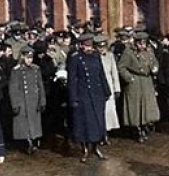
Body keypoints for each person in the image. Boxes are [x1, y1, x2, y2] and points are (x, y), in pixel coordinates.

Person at [67, 33, 111, 162]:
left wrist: (106, 90)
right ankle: (85, 148)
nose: (89, 48)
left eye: (90, 45)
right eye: (86, 45)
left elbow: (101, 74)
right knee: (85, 124)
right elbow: (72, 80)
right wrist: (73, 98)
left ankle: (96, 147)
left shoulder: (96, 56)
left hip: (97, 94)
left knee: (98, 122)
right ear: (81, 46)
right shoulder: (76, 58)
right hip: (83, 94)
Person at [118, 32, 161, 143]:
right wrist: (129, 78)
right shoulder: (128, 52)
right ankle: (137, 130)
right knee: (136, 108)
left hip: (147, 81)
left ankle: (144, 126)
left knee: (147, 106)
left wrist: (155, 67)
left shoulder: (149, 51)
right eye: (140, 44)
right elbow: (121, 67)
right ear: (136, 43)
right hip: (135, 82)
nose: (142, 46)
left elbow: (154, 61)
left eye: (144, 44)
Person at [8, 46, 46, 155]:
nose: (30, 60)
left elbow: (40, 86)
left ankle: (33, 141)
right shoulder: (16, 71)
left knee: (34, 124)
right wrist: (15, 104)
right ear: (22, 57)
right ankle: (27, 142)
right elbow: (13, 88)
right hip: (22, 102)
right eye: (27, 57)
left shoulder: (36, 69)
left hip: (34, 101)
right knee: (24, 125)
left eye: (31, 58)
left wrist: (42, 101)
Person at [95, 35, 121, 144]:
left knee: (109, 111)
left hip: (109, 86)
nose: (101, 49)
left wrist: (117, 88)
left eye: (103, 46)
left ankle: (107, 133)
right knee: (100, 112)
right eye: (99, 47)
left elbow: (114, 73)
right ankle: (101, 134)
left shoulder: (110, 56)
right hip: (98, 87)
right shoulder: (94, 57)